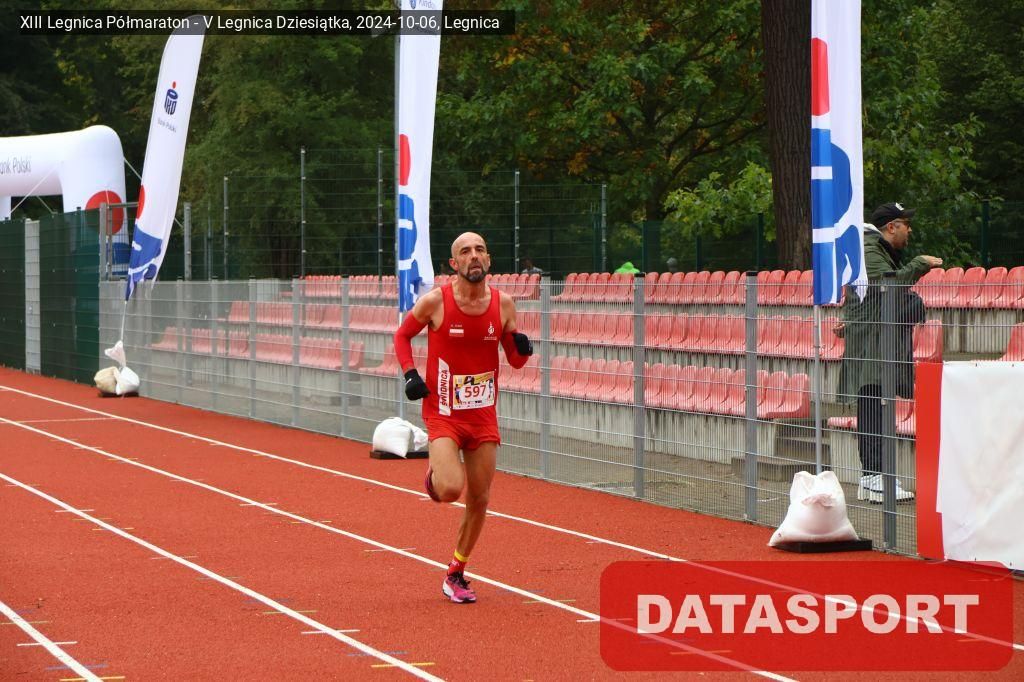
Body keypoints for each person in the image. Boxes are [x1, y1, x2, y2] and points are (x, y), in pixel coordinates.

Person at [393, 232, 533, 603]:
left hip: (483, 415)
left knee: (480, 498)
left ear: (489, 260)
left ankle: (456, 572)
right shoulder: (436, 302)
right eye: (465, 252)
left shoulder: (504, 305)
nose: (474, 256)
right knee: (451, 490)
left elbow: (515, 361)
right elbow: (402, 336)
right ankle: (435, 478)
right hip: (444, 413)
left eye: (480, 250)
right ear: (454, 264)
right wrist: (410, 374)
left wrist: (523, 349)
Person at [837, 202, 942, 504]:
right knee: (873, 409)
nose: (910, 230)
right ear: (892, 227)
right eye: (906, 224)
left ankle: (876, 478)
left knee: (878, 409)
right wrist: (920, 263)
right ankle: (873, 477)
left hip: (876, 342)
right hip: (870, 346)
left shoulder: (876, 250)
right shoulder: (870, 251)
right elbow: (889, 287)